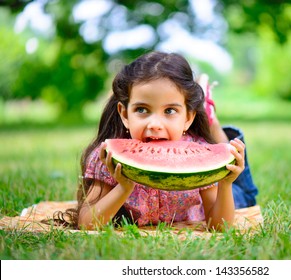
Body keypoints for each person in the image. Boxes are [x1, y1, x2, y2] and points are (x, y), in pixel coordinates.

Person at [57, 51, 258, 231]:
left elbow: (219, 226)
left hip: (226, 185)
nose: (155, 124)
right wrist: (123, 187)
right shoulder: (107, 158)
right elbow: (86, 223)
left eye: (169, 111)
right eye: (142, 110)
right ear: (124, 114)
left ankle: (209, 116)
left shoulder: (200, 151)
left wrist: (225, 184)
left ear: (188, 118)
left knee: (243, 196)